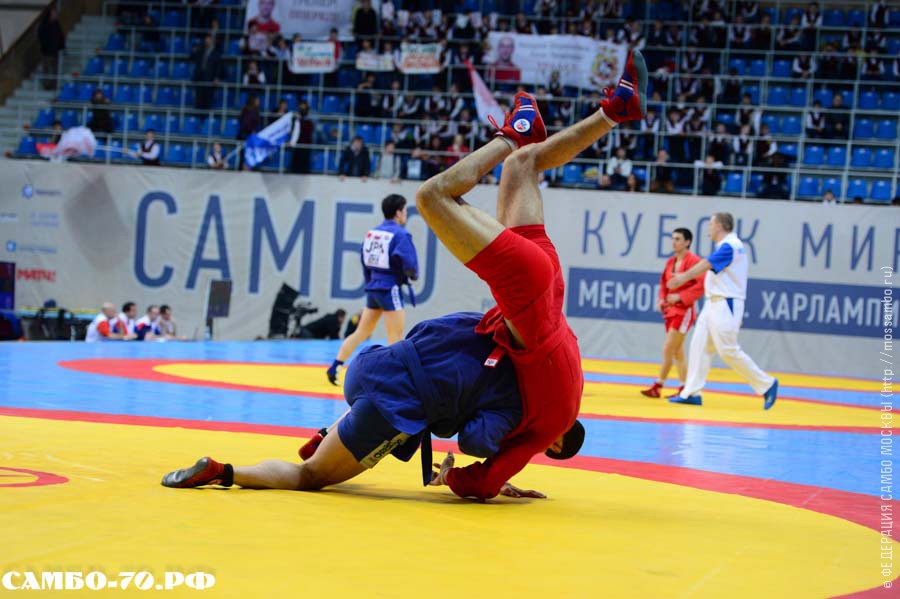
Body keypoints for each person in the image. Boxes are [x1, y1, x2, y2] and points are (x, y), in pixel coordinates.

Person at [160, 50, 649, 501]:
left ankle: (612, 112)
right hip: (504, 312)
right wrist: (463, 477)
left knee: (524, 166)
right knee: (432, 198)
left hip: (544, 285)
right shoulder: (539, 425)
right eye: (547, 450)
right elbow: (482, 461)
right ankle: (510, 136)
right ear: (557, 442)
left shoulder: (567, 387)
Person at [668, 212, 779, 409]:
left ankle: (767, 384)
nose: (708, 229)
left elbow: (706, 264)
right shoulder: (726, 245)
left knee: (727, 350)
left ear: (719, 226)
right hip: (713, 303)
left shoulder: (731, 245)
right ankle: (692, 392)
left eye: (711, 224)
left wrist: (683, 277)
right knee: (699, 346)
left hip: (725, 304)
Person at [326, 194, 419, 384]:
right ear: (398, 212)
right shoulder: (400, 235)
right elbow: (410, 264)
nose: (406, 214)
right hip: (390, 288)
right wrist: (412, 275)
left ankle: (335, 365)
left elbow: (364, 260)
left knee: (361, 331)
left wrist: (371, 281)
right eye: (404, 210)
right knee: (396, 336)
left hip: (373, 288)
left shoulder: (372, 233)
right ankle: (393, 378)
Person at [640, 228, 704, 399]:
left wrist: (681, 296)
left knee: (668, 347)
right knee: (677, 351)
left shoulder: (695, 262)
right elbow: (664, 283)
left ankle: (658, 385)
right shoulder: (671, 261)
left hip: (684, 311)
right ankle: (685, 387)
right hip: (671, 310)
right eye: (673, 238)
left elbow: (701, 285)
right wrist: (661, 299)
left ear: (687, 242)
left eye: (678, 239)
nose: (674, 242)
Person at [37, 7, 65, 91]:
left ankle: (54, 85)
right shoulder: (44, 24)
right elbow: (41, 36)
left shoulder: (57, 24)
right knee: (47, 69)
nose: (55, 15)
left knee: (55, 70)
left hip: (55, 51)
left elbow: (61, 36)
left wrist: (61, 46)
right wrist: (45, 46)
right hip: (47, 52)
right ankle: (46, 85)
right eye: (54, 13)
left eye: (56, 13)